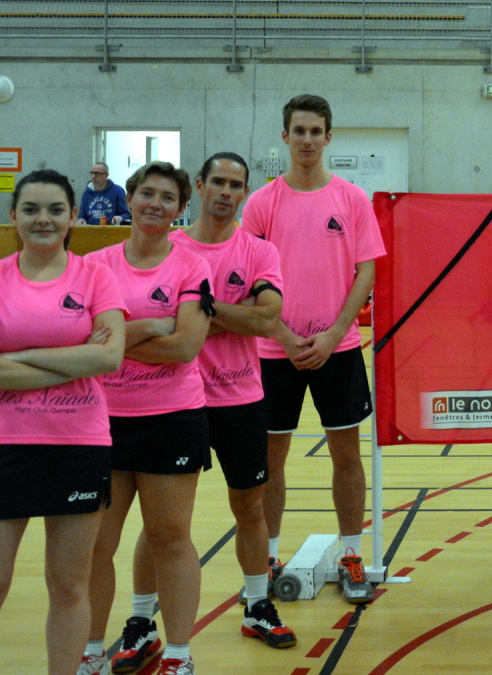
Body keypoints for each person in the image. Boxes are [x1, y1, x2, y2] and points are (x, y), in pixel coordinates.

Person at [118, 152, 297, 655]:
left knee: (250, 507)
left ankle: (257, 605)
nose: (225, 192)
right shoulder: (169, 247)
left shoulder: (258, 250)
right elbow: (166, 330)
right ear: (198, 186)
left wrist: (197, 315)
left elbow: (268, 320)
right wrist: (228, 314)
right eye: (217, 181)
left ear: (245, 193)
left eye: (235, 185)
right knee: (162, 524)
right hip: (173, 402)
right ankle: (141, 620)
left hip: (240, 398)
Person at [0, 170, 126, 675]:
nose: (44, 219)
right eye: (31, 209)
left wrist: (15, 358)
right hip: (0, 446)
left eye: (56, 209)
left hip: (78, 447)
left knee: (68, 586)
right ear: (12, 215)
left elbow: (108, 358)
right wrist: (71, 359)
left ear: (73, 216)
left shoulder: (96, 277)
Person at [241, 94, 386, 604]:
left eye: (315, 131)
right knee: (271, 458)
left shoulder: (352, 198)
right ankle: (268, 556)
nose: (306, 140)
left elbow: (366, 271)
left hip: (338, 349)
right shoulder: (262, 203)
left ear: (328, 137)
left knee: (347, 455)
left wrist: (333, 334)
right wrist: (282, 334)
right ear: (285, 137)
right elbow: (246, 277)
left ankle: (351, 555)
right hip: (272, 351)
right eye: (298, 131)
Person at [82, 161, 213, 675]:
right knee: (96, 545)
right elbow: (83, 343)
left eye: (167, 198)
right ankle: (91, 652)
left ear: (180, 209)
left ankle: (178, 655)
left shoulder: (191, 268)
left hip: (172, 419)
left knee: (169, 539)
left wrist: (117, 340)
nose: (155, 204)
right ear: (130, 198)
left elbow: (185, 347)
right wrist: (153, 325)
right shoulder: (94, 267)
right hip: (100, 422)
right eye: (147, 194)